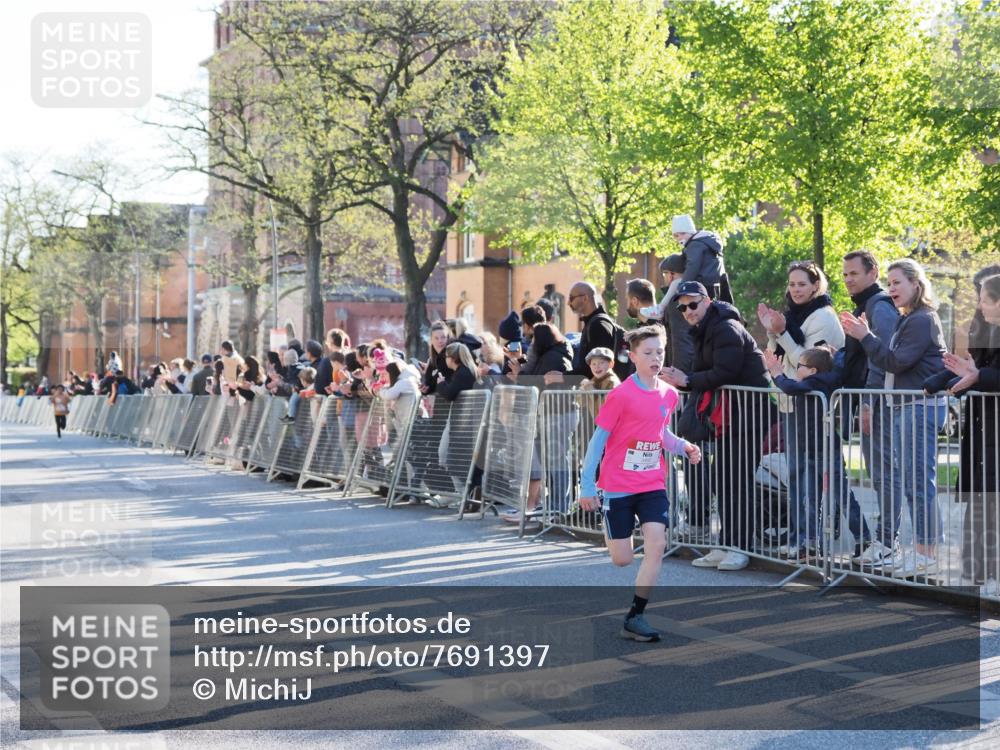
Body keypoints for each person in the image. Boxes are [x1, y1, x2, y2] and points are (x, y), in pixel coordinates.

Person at [578, 326, 702, 642]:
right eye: (648, 353)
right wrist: (587, 486)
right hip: (618, 484)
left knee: (657, 545)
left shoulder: (669, 393)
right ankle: (611, 520)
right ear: (632, 357)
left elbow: (660, 433)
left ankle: (636, 615)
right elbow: (597, 443)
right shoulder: (620, 395)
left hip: (651, 482)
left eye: (659, 352)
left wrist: (683, 446)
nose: (655, 358)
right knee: (623, 559)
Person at [841, 258, 947, 578]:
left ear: (917, 284)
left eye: (898, 282)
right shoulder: (908, 318)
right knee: (913, 482)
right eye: (889, 283)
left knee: (918, 482)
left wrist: (865, 336)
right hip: (905, 406)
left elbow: (895, 361)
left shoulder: (922, 319)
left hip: (919, 406)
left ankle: (927, 552)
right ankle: (920, 551)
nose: (892, 288)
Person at [661, 281, 770, 571]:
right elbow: (703, 372)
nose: (687, 311)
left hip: (748, 415)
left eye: (693, 304)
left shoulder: (725, 328)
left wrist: (687, 380)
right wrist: (685, 377)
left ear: (707, 301)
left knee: (737, 481)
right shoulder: (703, 329)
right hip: (728, 416)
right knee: (723, 479)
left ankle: (740, 547)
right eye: (682, 307)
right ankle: (724, 543)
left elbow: (725, 372)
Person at [757, 261, 844, 557]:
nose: (795, 289)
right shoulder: (792, 316)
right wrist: (773, 331)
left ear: (816, 285)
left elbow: (809, 366)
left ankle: (815, 541)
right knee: (796, 475)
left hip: (815, 408)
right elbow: (780, 357)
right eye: (791, 284)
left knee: (819, 478)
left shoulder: (824, 317)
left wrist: (781, 333)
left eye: (802, 284)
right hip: (792, 403)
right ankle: (797, 539)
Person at [925, 269, 1000, 591]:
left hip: (993, 427)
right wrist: (937, 382)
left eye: (985, 300)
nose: (980, 306)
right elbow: (970, 368)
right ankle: (978, 572)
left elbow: (983, 374)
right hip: (984, 427)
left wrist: (977, 377)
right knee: (982, 497)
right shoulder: (984, 330)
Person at [764, 345, 871, 560]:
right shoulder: (818, 380)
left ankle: (863, 537)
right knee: (811, 499)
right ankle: (811, 544)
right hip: (811, 449)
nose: (797, 370)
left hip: (825, 450)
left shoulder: (817, 383)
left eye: (800, 366)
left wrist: (777, 373)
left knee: (840, 496)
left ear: (813, 370)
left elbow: (790, 387)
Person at [566, 282, 630, 381]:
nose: (568, 303)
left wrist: (563, 377)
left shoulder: (598, 325)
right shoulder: (593, 323)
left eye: (571, 298)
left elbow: (598, 367)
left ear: (585, 298)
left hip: (604, 392)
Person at [640, 254, 694, 371]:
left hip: (684, 375)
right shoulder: (693, 296)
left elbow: (681, 339)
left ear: (671, 275)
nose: (664, 278)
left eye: (664, 274)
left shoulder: (677, 300)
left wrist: (678, 374)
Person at [671, 214, 732, 302]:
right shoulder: (707, 242)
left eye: (679, 235)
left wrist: (682, 284)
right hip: (716, 284)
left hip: (703, 285)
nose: (678, 239)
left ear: (687, 232)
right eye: (675, 236)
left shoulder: (695, 245)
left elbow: (693, 265)